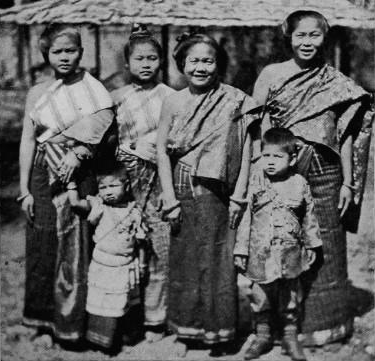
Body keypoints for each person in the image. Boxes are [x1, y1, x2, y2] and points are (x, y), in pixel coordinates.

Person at [252, 10, 372, 345]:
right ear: (288, 36)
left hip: (326, 175)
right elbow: (254, 124)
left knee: (326, 247)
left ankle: (323, 326)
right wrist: (260, 169)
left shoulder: (335, 81)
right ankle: (273, 328)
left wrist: (348, 182)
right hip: (280, 172)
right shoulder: (272, 75)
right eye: (300, 35)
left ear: (325, 38)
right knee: (278, 242)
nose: (307, 42)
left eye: (314, 35)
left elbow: (344, 135)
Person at [157, 32, 260, 355]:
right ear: (181, 64)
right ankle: (189, 332)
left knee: (219, 260)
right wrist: (170, 198)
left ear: (219, 64)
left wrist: (239, 196)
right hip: (183, 188)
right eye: (194, 61)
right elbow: (162, 150)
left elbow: (247, 151)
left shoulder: (237, 101)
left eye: (208, 60)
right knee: (186, 260)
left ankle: (220, 331)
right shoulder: (173, 101)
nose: (201, 67)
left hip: (220, 194)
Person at [19, 24, 114, 342]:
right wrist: (24, 189)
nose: (64, 57)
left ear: (81, 53)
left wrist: (81, 152)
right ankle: (43, 321)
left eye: (70, 50)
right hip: (42, 175)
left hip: (81, 176)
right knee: (43, 246)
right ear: (46, 54)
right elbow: (28, 141)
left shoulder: (94, 89)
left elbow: (105, 134)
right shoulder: (38, 92)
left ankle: (74, 323)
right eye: (57, 51)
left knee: (77, 248)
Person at [234, 128, 322, 361]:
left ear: (292, 159)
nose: (270, 162)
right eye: (266, 156)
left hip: (290, 253)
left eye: (277, 156)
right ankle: (262, 336)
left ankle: (289, 337)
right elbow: (246, 218)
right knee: (260, 297)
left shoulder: (299, 183)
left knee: (290, 297)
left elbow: (309, 216)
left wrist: (313, 244)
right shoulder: (256, 181)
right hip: (260, 254)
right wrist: (241, 249)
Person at [111, 25, 173, 342]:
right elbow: (106, 142)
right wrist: (131, 150)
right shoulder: (115, 99)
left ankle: (156, 319)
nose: (145, 64)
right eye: (139, 59)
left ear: (161, 62)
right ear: (127, 63)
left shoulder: (172, 98)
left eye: (152, 58)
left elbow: (178, 144)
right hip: (124, 181)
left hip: (160, 182)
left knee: (159, 251)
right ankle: (123, 317)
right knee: (124, 251)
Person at [67, 163, 147, 351]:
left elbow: (141, 241)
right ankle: (100, 340)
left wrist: (142, 265)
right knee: (101, 304)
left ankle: (124, 338)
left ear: (126, 186)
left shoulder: (134, 211)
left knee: (122, 303)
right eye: (103, 187)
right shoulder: (98, 205)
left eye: (113, 186)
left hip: (124, 265)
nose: (108, 191)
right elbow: (75, 203)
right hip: (103, 265)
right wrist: (71, 184)